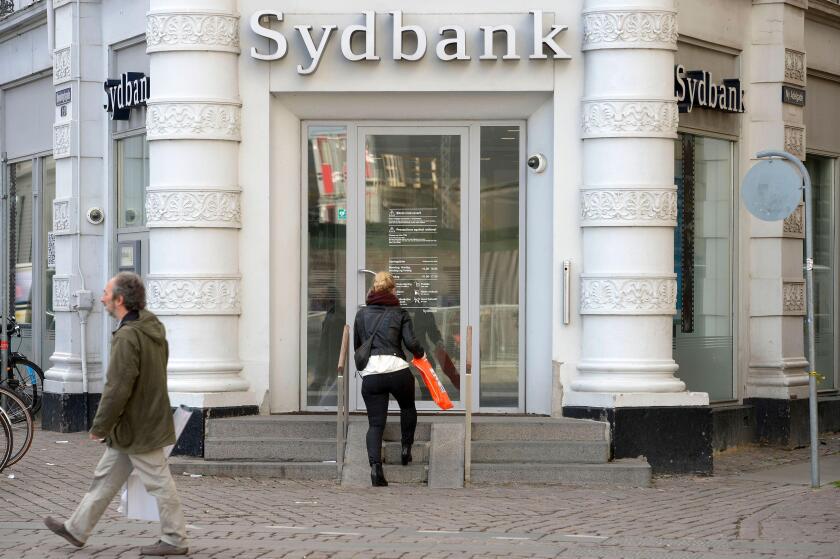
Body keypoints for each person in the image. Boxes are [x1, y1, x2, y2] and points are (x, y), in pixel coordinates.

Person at [43, 272, 188, 556]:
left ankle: (175, 539)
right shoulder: (152, 326)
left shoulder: (128, 336)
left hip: (138, 425)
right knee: (105, 477)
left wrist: (100, 425)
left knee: (159, 482)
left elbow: (117, 387)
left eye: (106, 293)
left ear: (119, 300)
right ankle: (76, 529)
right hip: (137, 422)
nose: (102, 298)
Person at [354, 271, 425, 487]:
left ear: (373, 290)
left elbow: (358, 346)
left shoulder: (361, 315)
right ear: (393, 290)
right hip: (397, 370)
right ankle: (405, 449)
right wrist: (421, 354)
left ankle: (376, 469)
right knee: (407, 407)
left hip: (372, 374)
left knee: (375, 424)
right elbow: (411, 343)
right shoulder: (400, 312)